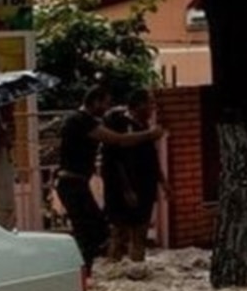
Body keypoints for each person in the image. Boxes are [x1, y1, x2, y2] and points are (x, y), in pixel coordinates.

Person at [56, 85, 166, 273]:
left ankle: (86, 274)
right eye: (105, 103)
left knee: (95, 230)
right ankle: (79, 273)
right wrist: (150, 135)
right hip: (72, 184)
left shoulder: (83, 120)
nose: (107, 108)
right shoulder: (81, 121)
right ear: (95, 101)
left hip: (77, 183)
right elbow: (117, 140)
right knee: (93, 232)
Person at [101, 89, 169, 262]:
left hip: (145, 186)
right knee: (120, 232)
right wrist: (126, 189)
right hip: (124, 188)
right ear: (139, 105)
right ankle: (114, 267)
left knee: (141, 230)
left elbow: (152, 158)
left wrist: (163, 182)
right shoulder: (119, 123)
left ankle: (138, 266)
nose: (153, 108)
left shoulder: (144, 126)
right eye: (150, 103)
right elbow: (115, 160)